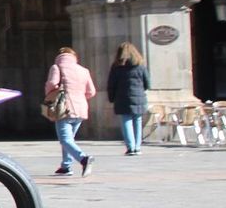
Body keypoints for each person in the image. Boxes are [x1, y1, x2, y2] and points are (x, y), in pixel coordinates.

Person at [46, 46, 98, 177]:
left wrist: (50, 92)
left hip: (64, 108)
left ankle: (83, 159)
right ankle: (66, 166)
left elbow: (52, 83)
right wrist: (79, 97)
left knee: (65, 140)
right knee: (70, 139)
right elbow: (91, 91)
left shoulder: (57, 67)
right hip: (80, 109)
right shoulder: (83, 70)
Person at [107, 42, 151, 156]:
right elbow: (148, 83)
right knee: (137, 121)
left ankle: (130, 147)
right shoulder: (141, 65)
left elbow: (111, 84)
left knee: (126, 121)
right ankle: (137, 147)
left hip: (122, 98)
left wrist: (111, 98)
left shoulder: (116, 66)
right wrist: (141, 90)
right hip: (139, 97)